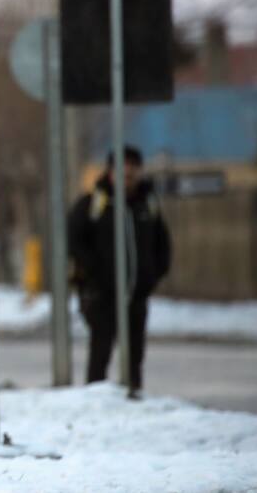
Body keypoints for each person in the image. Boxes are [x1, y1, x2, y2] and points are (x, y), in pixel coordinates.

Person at [68, 145, 171, 399]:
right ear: (111, 171)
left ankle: (133, 395)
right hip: (100, 294)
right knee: (101, 348)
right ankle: (95, 398)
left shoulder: (147, 205)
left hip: (136, 292)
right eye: (122, 170)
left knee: (135, 353)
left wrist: (151, 276)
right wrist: (94, 274)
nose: (128, 175)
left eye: (132, 170)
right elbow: (73, 240)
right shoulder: (94, 204)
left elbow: (162, 244)